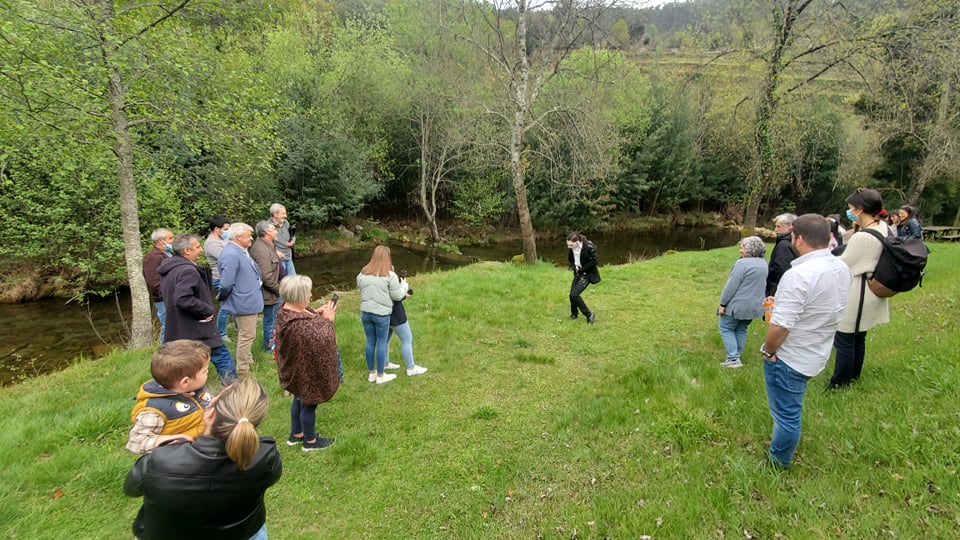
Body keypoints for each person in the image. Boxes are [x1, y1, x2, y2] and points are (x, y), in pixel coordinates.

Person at [124, 378, 281, 540]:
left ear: (210, 413)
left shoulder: (160, 460)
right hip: (242, 533)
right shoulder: (267, 456)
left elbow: (130, 488)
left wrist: (165, 446)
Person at [761, 214, 852, 468]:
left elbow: (781, 326)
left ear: (799, 239)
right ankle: (782, 441)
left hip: (791, 355)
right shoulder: (840, 267)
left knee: (787, 413)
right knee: (791, 407)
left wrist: (769, 351)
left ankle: (778, 462)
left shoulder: (798, 275)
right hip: (817, 349)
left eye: (791, 236)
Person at [830, 188, 891, 388]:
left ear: (860, 209)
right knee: (858, 337)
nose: (849, 212)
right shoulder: (883, 226)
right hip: (871, 288)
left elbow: (844, 263)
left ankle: (840, 382)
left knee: (845, 337)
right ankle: (854, 376)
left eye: (851, 208)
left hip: (859, 291)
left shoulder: (864, 237)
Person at [157, 234, 237, 385]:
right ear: (187, 251)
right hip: (196, 327)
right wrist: (207, 309)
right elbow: (183, 298)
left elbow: (164, 294)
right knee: (222, 356)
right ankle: (233, 391)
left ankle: (189, 389)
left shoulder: (169, 269)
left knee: (188, 362)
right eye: (198, 247)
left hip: (179, 326)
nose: (201, 250)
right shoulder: (188, 270)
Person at [274, 275, 341, 451]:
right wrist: (328, 320)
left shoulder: (285, 311)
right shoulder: (296, 325)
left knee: (298, 398)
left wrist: (315, 313)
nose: (311, 295)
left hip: (295, 368)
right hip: (306, 371)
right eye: (308, 292)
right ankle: (310, 442)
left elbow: (306, 321)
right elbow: (323, 337)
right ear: (298, 295)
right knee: (309, 404)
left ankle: (296, 434)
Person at [126, 340, 213, 455]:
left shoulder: (195, 390)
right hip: (180, 461)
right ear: (185, 381)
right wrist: (166, 441)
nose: (207, 373)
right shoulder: (155, 410)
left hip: (204, 450)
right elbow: (135, 442)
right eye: (205, 371)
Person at [357, 245, 408, 384]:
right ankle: (381, 375)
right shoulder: (390, 275)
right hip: (381, 314)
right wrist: (404, 285)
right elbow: (397, 296)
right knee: (381, 343)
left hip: (366, 312)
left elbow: (360, 286)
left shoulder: (363, 273)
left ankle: (371, 373)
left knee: (370, 341)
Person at [218, 223, 264, 376]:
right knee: (247, 335)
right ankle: (243, 368)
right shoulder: (231, 254)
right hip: (243, 301)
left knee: (248, 333)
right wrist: (224, 297)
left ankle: (248, 359)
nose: (251, 238)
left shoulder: (240, 250)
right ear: (238, 237)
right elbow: (226, 283)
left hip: (248, 299)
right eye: (248, 235)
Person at [717, 236, 768, 368]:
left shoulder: (742, 264)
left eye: (742, 247)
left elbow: (731, 286)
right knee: (741, 329)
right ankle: (736, 355)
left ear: (749, 249)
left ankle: (733, 358)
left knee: (726, 328)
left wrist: (723, 303)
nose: (740, 250)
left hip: (737, 306)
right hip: (753, 306)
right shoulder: (763, 263)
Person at [250, 221, 281, 352]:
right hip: (269, 293)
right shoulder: (260, 250)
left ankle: (277, 345)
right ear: (267, 232)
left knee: (276, 319)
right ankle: (269, 348)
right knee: (270, 321)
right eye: (274, 229)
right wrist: (280, 290)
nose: (277, 231)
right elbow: (266, 277)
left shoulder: (268, 245)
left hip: (274, 291)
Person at [388, 283, 429, 377]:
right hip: (396, 315)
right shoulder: (389, 278)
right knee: (407, 339)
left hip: (384, 314)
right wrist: (403, 286)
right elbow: (395, 298)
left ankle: (385, 364)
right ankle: (411, 368)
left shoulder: (376, 278)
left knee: (385, 340)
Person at [203, 215, 232, 342]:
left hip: (228, 276)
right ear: (216, 229)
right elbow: (227, 258)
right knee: (226, 306)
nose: (227, 232)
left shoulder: (222, 240)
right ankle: (221, 333)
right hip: (219, 278)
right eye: (225, 229)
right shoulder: (211, 243)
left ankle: (237, 326)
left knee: (234, 303)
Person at [143, 228, 174, 343]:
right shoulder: (153, 257)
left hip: (171, 296)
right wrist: (168, 294)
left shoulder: (168, 253)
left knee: (174, 325)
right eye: (171, 238)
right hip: (163, 298)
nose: (173, 241)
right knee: (168, 326)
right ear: (161, 241)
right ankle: (164, 352)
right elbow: (153, 282)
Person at [566, 232, 601, 323]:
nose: (569, 247)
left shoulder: (589, 246)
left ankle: (589, 315)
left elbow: (594, 261)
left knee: (575, 295)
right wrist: (574, 267)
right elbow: (571, 259)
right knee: (571, 295)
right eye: (568, 245)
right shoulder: (572, 247)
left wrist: (582, 269)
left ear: (577, 241)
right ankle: (574, 314)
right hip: (578, 273)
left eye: (571, 245)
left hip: (587, 274)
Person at [765, 213, 797, 298]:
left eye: (779, 227)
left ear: (789, 226)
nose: (776, 230)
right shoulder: (793, 242)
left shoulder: (784, 245)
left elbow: (781, 268)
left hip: (776, 288)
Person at [270, 203, 296, 277]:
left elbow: (292, 235)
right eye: (283, 213)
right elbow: (264, 244)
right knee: (283, 282)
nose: (286, 216)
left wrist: (292, 241)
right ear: (275, 214)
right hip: (278, 259)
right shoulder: (268, 226)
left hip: (289, 256)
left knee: (293, 281)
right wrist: (275, 252)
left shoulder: (286, 222)